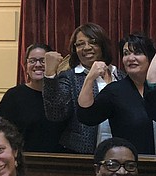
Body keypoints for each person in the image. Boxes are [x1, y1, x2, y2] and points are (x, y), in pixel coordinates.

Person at [76, 33, 156, 155]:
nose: (130, 58)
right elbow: (87, 116)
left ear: (151, 58)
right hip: (127, 165)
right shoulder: (115, 91)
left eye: (137, 53)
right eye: (126, 54)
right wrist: (90, 78)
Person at [43, 22, 122, 153]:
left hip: (118, 151)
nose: (86, 48)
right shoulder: (69, 77)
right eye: (80, 44)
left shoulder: (120, 75)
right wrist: (50, 75)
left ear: (102, 45)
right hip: (81, 153)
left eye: (93, 42)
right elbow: (55, 114)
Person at [0, 43, 66, 152]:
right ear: (26, 66)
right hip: (25, 160)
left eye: (43, 60)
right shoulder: (15, 95)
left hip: (61, 161)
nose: (38, 64)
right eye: (32, 61)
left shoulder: (63, 92)